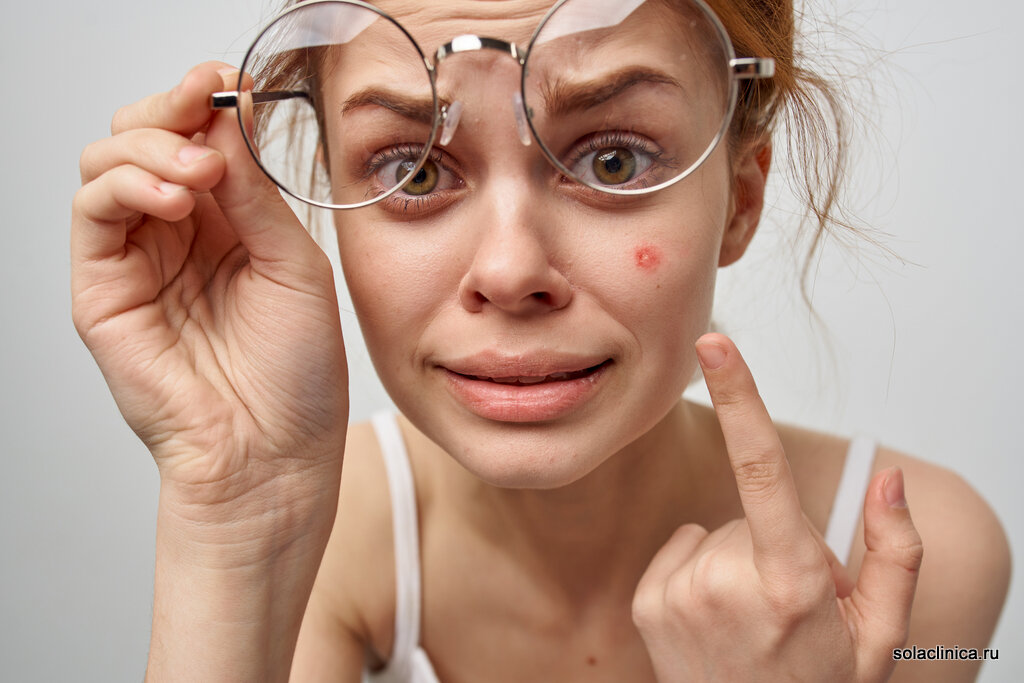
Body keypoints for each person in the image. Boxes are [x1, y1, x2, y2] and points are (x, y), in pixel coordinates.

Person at [71, 0, 1009, 680]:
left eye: (613, 158)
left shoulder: (920, 559)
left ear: (742, 199)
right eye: (413, 168)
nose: (511, 269)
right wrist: (238, 515)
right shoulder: (325, 531)